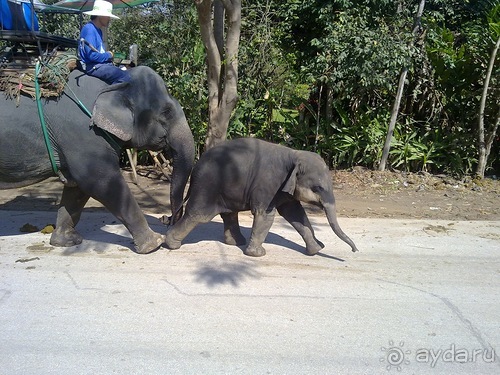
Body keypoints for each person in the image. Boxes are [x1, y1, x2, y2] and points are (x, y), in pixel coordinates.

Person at [78, 0, 130, 85]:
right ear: (100, 16)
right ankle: (111, 98)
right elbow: (92, 56)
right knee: (124, 77)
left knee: (124, 69)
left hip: (100, 64)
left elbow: (98, 52)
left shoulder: (98, 30)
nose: (109, 19)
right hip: (92, 66)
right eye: (108, 16)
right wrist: (109, 55)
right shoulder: (90, 29)